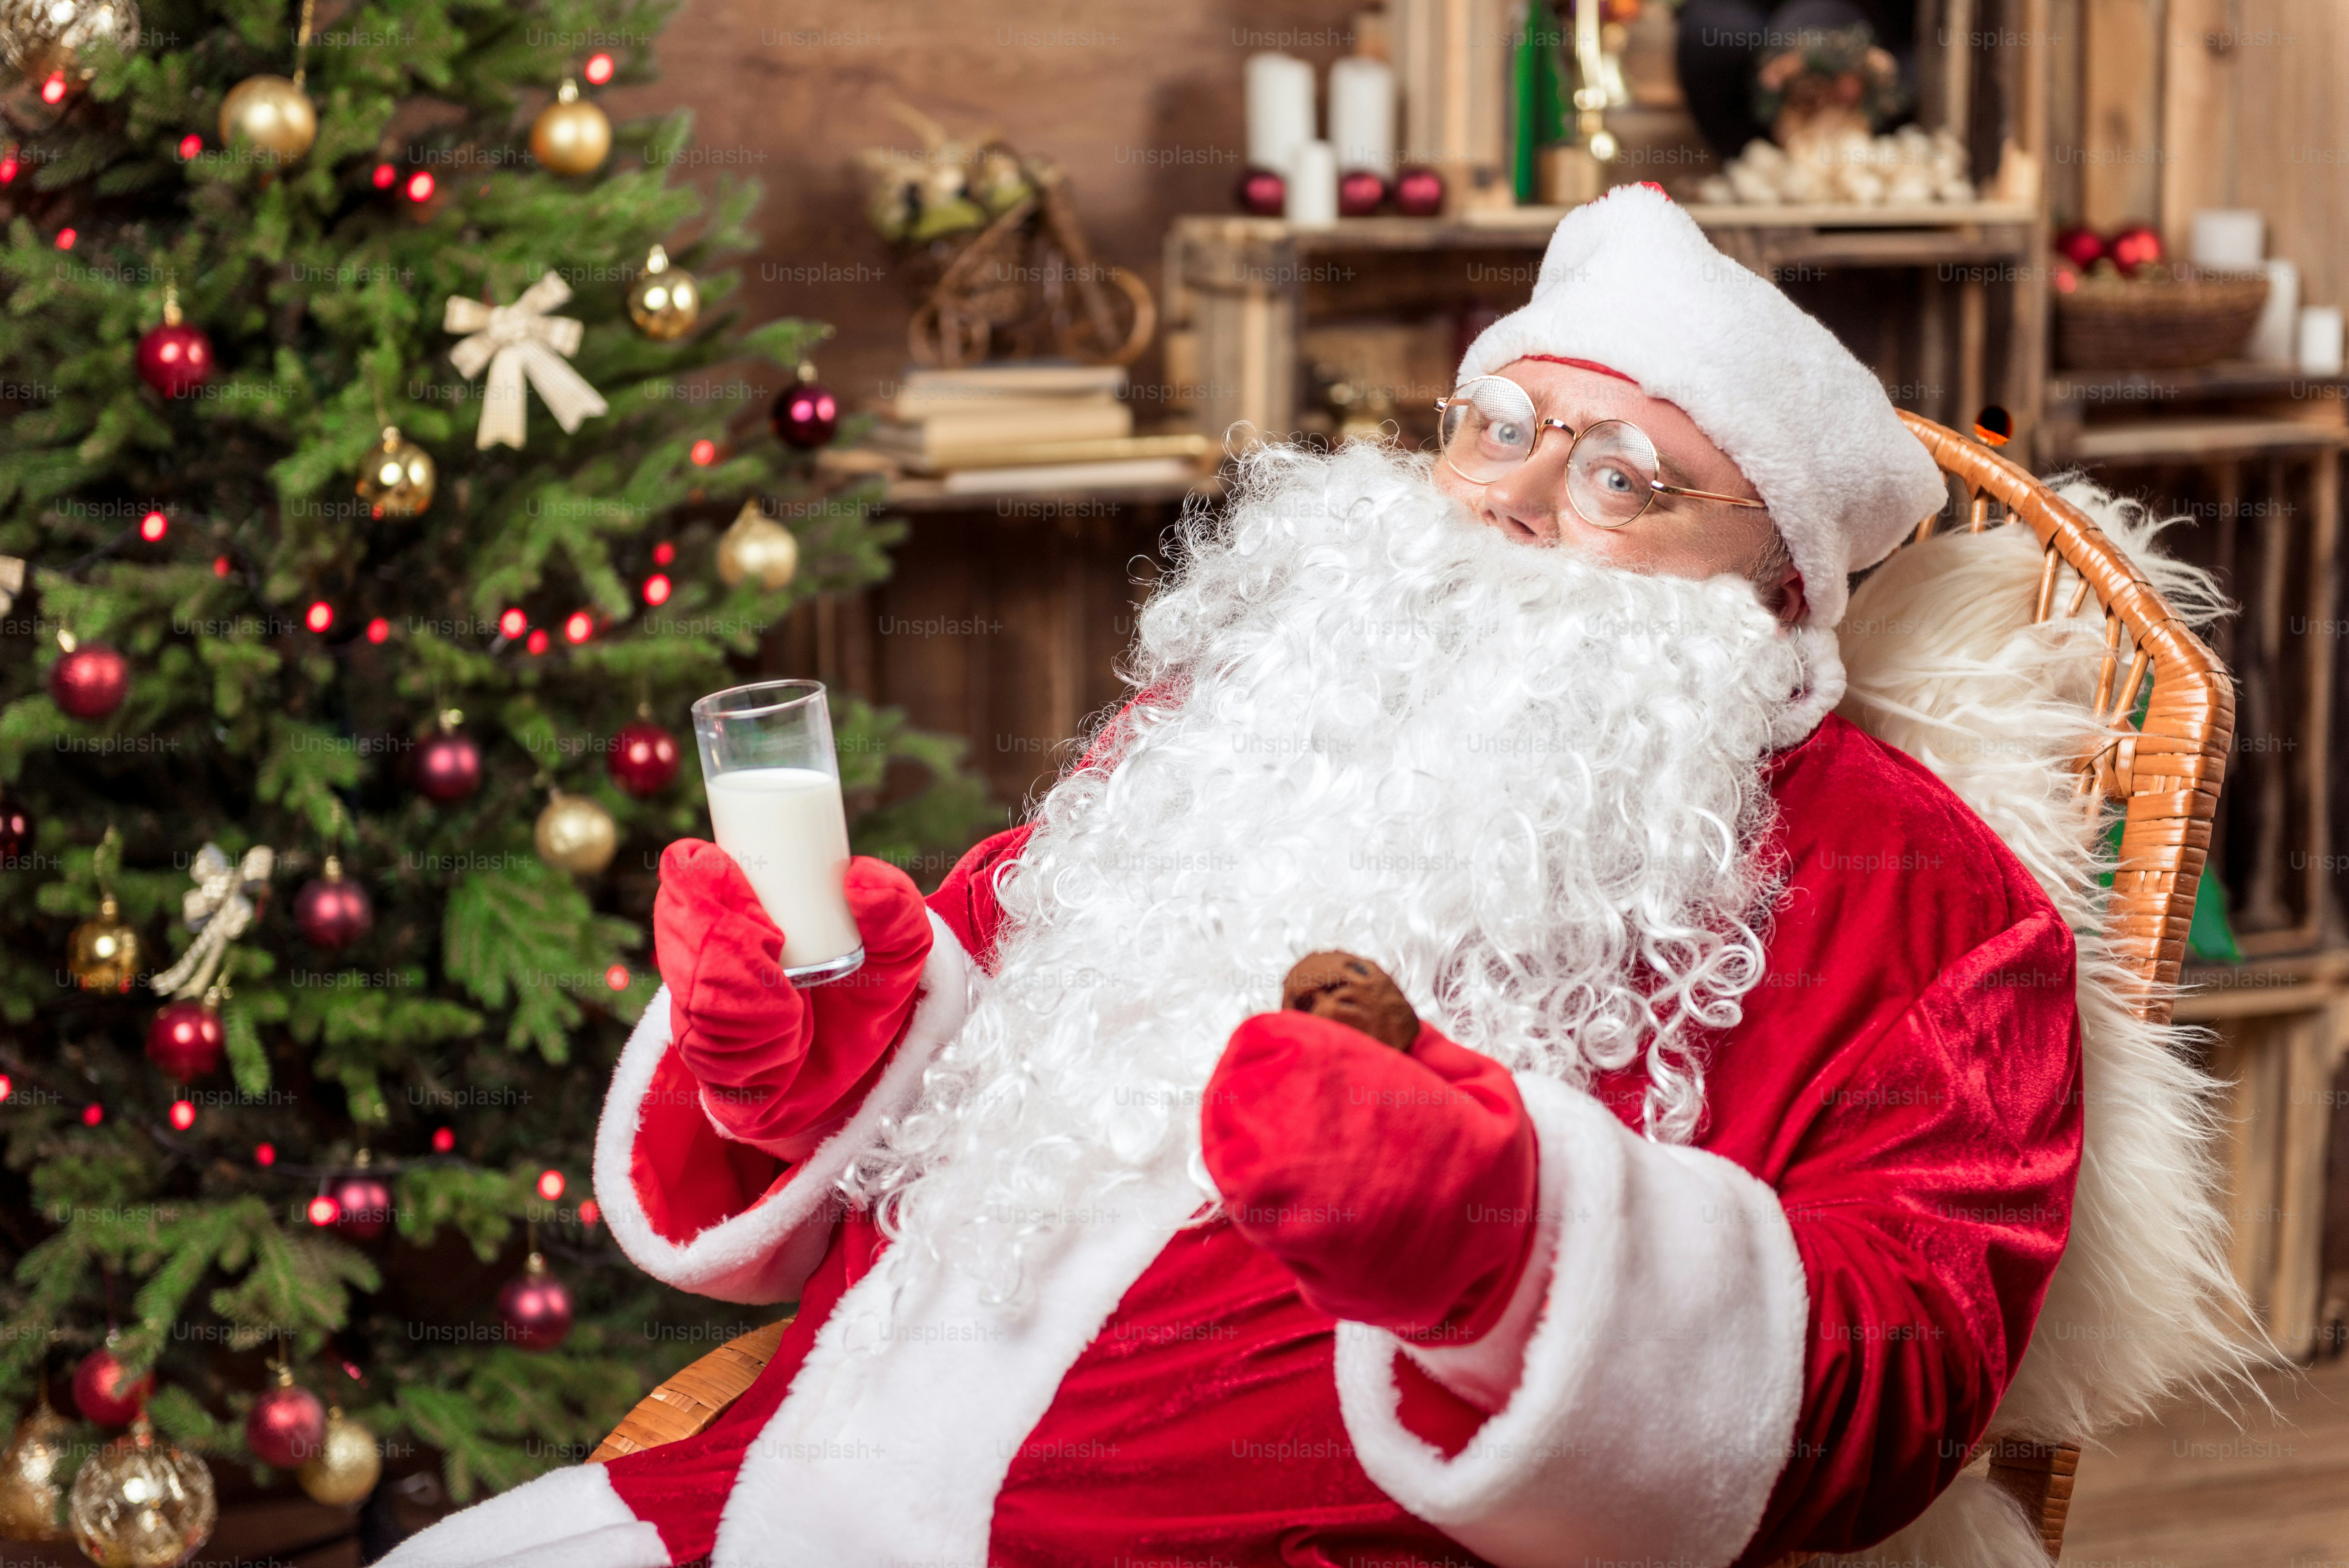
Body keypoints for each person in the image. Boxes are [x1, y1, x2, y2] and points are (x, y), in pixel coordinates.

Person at [380, 185, 2178, 1568]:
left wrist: (1513, 1247)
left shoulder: (1908, 891)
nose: (1515, 496)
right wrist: (820, 1027)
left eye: (1626, 474)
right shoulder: (1249, 718)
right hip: (795, 1486)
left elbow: (1912, 1349)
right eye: (1498, 424)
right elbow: (985, 1012)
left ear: (1769, 584)